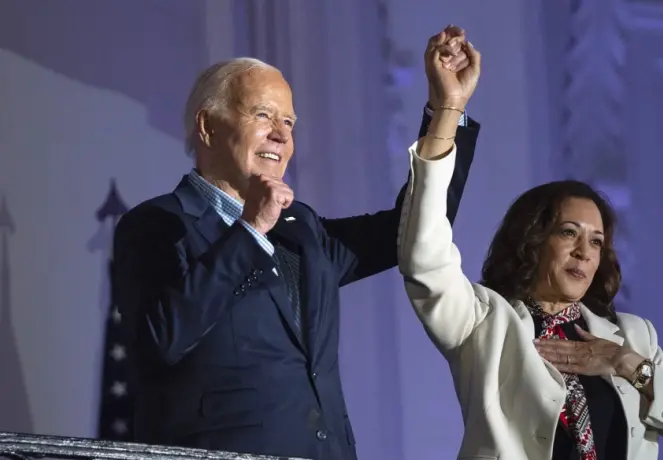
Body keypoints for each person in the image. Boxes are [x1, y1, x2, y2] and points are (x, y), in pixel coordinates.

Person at [111, 26, 479, 460]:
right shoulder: (156, 224)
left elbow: (414, 227)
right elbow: (160, 341)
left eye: (288, 122)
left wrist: (447, 110)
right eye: (263, 116)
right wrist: (251, 229)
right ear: (208, 126)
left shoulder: (300, 228)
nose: (281, 135)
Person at [397, 42, 663, 460]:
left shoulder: (632, 338)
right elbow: (425, 255)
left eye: (596, 241)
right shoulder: (485, 322)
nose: (584, 252)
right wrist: (449, 109)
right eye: (568, 233)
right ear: (533, 240)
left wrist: (629, 365)